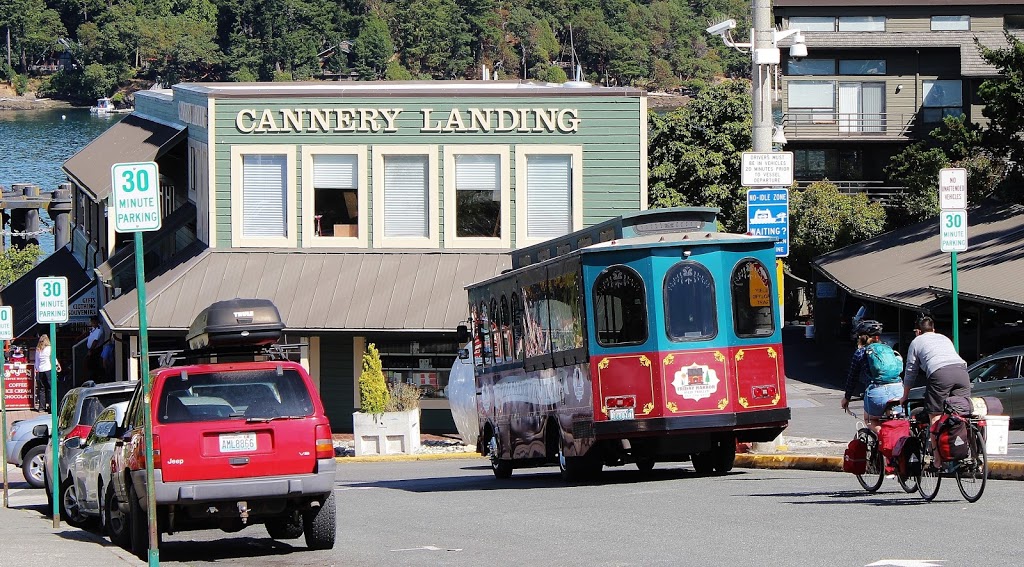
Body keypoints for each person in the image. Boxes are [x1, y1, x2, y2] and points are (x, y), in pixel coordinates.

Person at [900, 315, 971, 468]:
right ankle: (970, 452)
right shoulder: (944, 338)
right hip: (962, 371)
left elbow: (911, 371)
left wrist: (905, 396)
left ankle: (938, 460)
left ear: (918, 331)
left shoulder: (916, 341)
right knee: (962, 414)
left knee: (935, 416)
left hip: (940, 373)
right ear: (933, 329)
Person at [841, 320, 904, 434]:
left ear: (861, 337)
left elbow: (852, 377)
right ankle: (899, 442)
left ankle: (885, 438)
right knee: (897, 421)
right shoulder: (887, 349)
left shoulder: (860, 352)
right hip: (898, 389)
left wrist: (847, 397)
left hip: (877, 392)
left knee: (870, 420)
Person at [34, 333, 61, 412]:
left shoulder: (38, 349)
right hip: (49, 369)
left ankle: (41, 407)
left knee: (41, 389)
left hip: (40, 370)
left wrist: (37, 369)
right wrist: (57, 365)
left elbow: (37, 361)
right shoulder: (49, 348)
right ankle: (51, 407)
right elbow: (53, 358)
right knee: (50, 388)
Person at [86, 316, 104, 382]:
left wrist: (91, 350)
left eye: (92, 321)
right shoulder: (94, 329)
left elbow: (95, 341)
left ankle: (95, 380)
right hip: (92, 350)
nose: (91, 323)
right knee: (90, 365)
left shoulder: (99, 329)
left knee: (94, 366)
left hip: (95, 351)